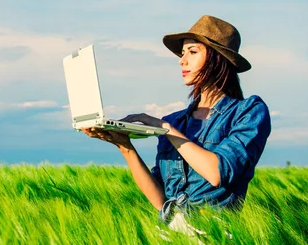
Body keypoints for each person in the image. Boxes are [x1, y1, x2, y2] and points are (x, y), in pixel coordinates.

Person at [83, 15, 271, 224]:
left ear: (218, 58)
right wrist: (124, 145)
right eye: (182, 54)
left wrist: (165, 129)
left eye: (192, 52)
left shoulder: (248, 112)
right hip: (170, 236)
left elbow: (218, 173)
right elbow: (160, 201)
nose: (182, 61)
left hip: (216, 239)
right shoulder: (176, 120)